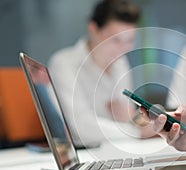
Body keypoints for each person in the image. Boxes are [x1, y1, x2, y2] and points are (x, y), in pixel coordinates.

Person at [48, 0, 155, 147]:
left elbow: (124, 115)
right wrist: (136, 132)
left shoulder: (120, 63)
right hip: (85, 150)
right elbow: (80, 128)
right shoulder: (64, 63)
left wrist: (134, 120)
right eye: (115, 40)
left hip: (118, 146)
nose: (123, 48)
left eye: (130, 40)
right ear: (93, 28)